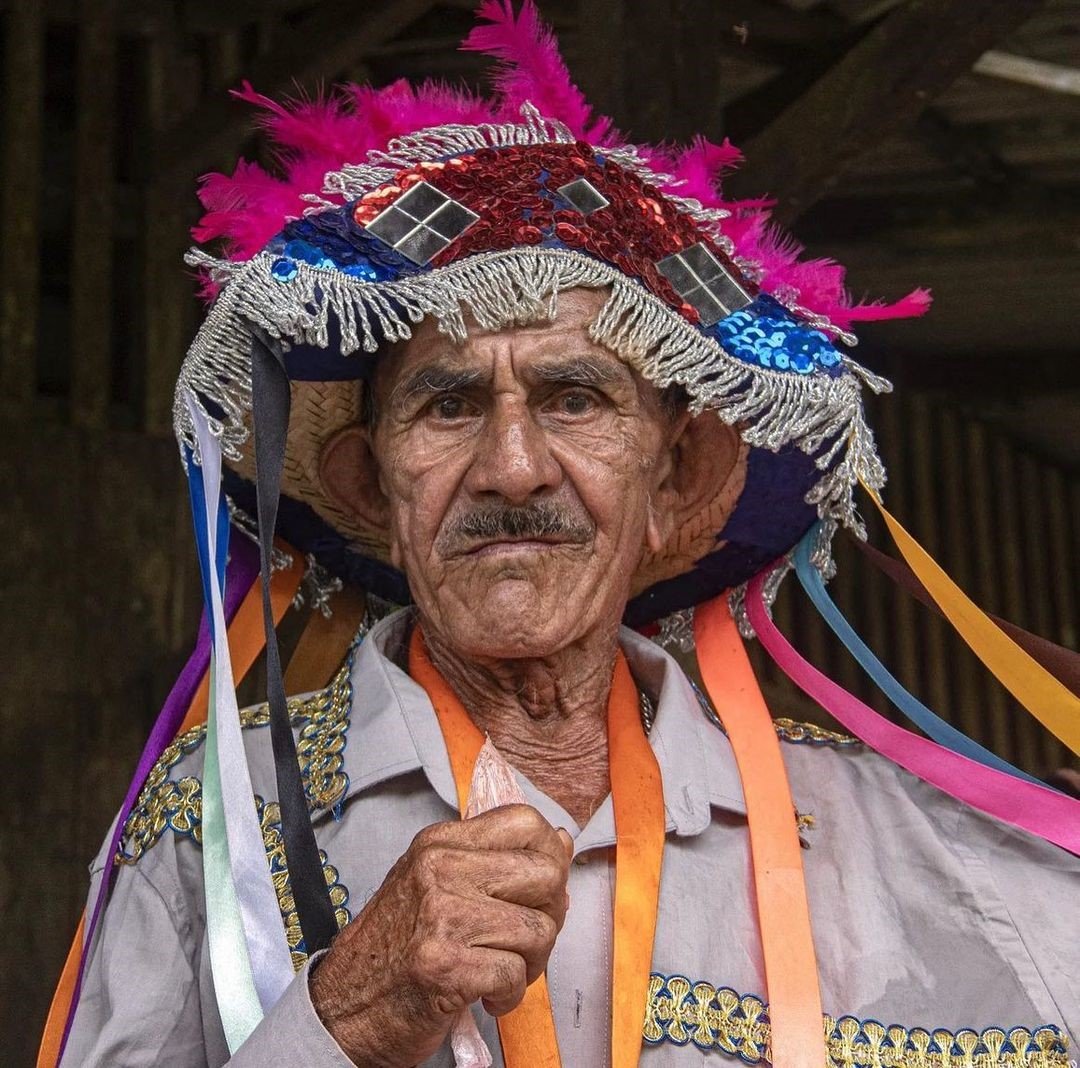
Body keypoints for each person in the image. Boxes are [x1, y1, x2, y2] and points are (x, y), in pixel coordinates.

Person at [47, 3, 1079, 1066]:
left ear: (678, 479)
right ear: (368, 487)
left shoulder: (903, 838)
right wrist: (347, 1016)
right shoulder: (213, 825)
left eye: (576, 398)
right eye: (447, 406)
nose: (511, 466)